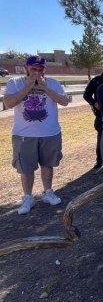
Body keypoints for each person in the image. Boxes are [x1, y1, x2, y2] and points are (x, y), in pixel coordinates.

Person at [3, 56, 70, 214]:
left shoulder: (52, 82)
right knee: (26, 168)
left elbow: (64, 101)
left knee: (48, 165)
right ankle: (28, 197)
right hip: (24, 134)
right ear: (26, 67)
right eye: (34, 69)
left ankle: (48, 192)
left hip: (50, 132)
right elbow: (9, 103)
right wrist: (27, 86)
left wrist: (45, 87)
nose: (37, 72)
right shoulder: (15, 82)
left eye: (41, 70)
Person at [83, 62, 103, 168]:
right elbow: (86, 95)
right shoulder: (96, 81)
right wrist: (93, 103)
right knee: (102, 137)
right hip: (101, 114)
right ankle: (100, 160)